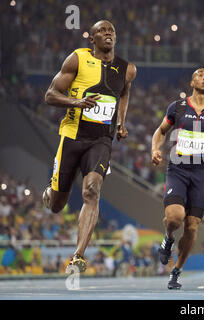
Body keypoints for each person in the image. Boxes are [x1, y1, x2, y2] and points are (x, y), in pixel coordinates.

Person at [42, 20, 137, 273]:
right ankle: (50, 190)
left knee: (91, 191)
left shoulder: (127, 69)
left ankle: (78, 255)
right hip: (72, 136)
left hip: (101, 140)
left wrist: (120, 122)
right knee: (56, 205)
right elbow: (50, 95)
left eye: (111, 31)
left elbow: (125, 93)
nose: (108, 34)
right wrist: (76, 102)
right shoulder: (77, 60)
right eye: (102, 31)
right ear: (92, 39)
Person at [151, 68, 204, 289]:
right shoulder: (177, 107)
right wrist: (155, 149)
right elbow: (160, 131)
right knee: (174, 218)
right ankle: (168, 238)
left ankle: (176, 271)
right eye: (200, 75)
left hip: (201, 173)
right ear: (192, 82)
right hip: (177, 169)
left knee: (192, 226)